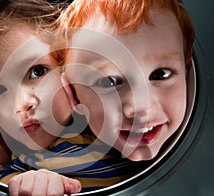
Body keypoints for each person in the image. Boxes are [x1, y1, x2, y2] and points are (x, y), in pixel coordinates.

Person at [0, 0, 135, 196]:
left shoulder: (114, 120)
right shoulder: (23, 165)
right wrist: (33, 181)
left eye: (36, 72)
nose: (21, 105)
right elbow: (5, 183)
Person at [58, 0, 195, 161]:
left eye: (161, 74)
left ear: (187, 74)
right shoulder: (56, 162)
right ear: (73, 95)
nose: (141, 107)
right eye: (109, 81)